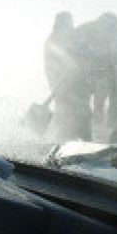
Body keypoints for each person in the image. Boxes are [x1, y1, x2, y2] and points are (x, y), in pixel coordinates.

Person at [43, 12, 92, 141]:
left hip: (79, 85)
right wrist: (56, 82)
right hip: (63, 87)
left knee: (83, 117)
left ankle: (85, 142)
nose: (70, 24)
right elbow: (50, 65)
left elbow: (85, 57)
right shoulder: (53, 40)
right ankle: (63, 143)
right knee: (66, 118)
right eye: (68, 22)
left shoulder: (75, 37)